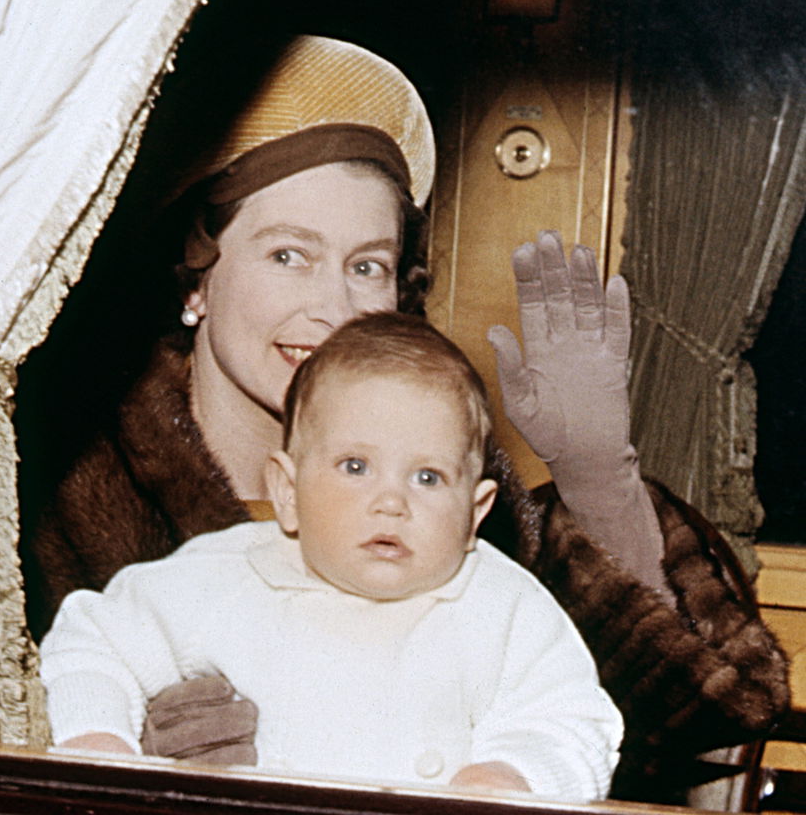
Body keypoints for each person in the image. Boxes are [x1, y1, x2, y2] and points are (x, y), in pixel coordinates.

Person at [20, 34, 789, 804]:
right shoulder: (57, 502)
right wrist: (128, 756)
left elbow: (676, 718)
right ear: (195, 281)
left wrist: (600, 476)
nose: (332, 306)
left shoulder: (455, 502)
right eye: (288, 255)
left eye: (367, 266)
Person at [40, 312, 624, 801]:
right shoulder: (225, 576)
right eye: (355, 467)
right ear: (288, 493)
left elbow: (570, 719)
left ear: (475, 514)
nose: (391, 501)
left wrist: (508, 776)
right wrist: (98, 743)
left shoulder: (504, 607)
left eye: (428, 476)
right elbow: (96, 641)